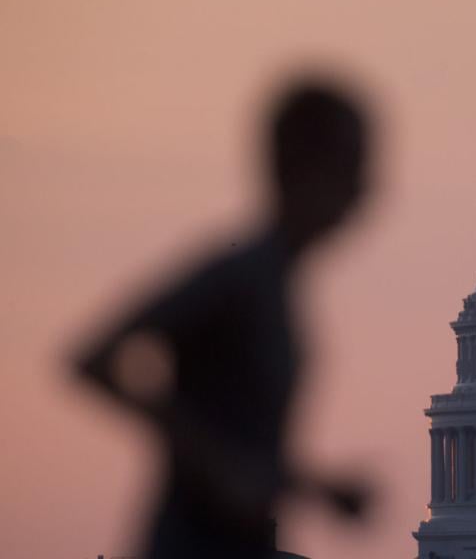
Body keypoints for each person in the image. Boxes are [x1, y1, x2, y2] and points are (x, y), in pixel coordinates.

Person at [72, 80, 372, 558]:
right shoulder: (241, 274)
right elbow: (92, 358)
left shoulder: (278, 281)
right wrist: (214, 465)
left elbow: (248, 448)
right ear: (303, 168)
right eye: (355, 168)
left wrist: (318, 489)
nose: (365, 192)